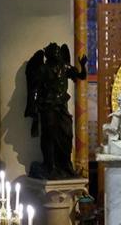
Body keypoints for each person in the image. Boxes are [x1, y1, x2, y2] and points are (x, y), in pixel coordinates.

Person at [24, 42, 89, 179]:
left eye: (58, 52)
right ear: (49, 55)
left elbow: (81, 76)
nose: (58, 54)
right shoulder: (43, 69)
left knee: (67, 134)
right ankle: (50, 165)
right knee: (49, 135)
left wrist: (83, 65)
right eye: (55, 52)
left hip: (61, 106)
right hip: (48, 106)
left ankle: (65, 164)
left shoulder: (65, 67)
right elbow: (34, 87)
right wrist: (35, 106)